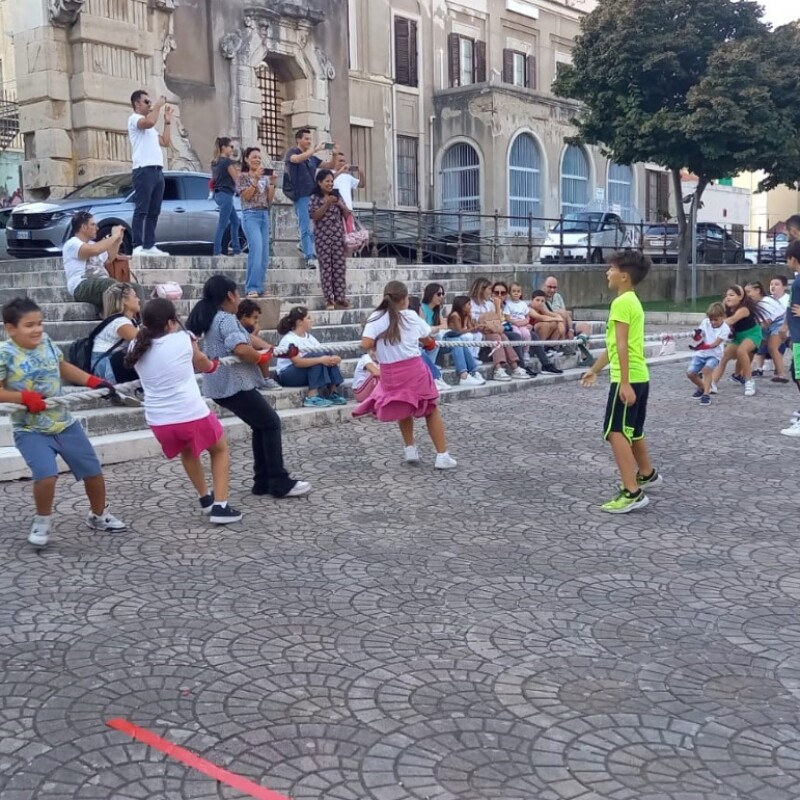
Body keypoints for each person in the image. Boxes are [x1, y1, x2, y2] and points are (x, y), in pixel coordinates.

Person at [0, 297, 127, 547]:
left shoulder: (45, 342)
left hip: (64, 423)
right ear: (11, 328)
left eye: (39, 323)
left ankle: (99, 515)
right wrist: (23, 397)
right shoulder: (5, 354)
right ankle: (42, 520)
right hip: (30, 429)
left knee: (93, 472)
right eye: (29, 325)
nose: (37, 329)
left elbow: (62, 367)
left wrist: (94, 382)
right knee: (46, 475)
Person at [186, 275, 310, 498]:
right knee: (271, 423)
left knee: (261, 425)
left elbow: (247, 343)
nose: (239, 298)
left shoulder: (213, 317)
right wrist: (259, 358)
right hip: (233, 385)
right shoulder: (225, 319)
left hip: (222, 385)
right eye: (237, 293)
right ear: (230, 295)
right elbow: (241, 349)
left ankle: (262, 481)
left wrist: (269, 350)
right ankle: (278, 481)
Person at [124, 298, 242, 523]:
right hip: (190, 413)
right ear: (170, 322)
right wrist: (212, 365)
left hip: (159, 421)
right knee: (219, 449)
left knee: (188, 451)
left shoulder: (135, 344)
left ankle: (206, 500)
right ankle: (221, 506)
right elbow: (204, 365)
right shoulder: (184, 339)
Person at [580, 250, 661, 514]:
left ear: (624, 276)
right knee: (633, 431)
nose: (607, 273)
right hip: (639, 376)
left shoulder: (622, 303)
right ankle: (646, 474)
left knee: (615, 432)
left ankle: (631, 492)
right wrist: (595, 369)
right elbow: (614, 345)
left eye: (611, 269)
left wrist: (623, 383)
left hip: (629, 378)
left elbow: (623, 345)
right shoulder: (631, 301)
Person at [353, 280, 457, 470]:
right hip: (413, 369)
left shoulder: (376, 317)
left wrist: (378, 340)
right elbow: (426, 335)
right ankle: (442, 455)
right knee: (431, 408)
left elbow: (365, 344)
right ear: (404, 299)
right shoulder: (410, 315)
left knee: (403, 406)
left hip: (390, 372)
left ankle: (410, 449)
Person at [62, 211, 143, 315]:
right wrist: (113, 237)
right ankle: (116, 320)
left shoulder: (94, 244)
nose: (97, 228)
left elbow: (109, 258)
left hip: (103, 284)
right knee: (114, 287)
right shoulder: (72, 244)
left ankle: (143, 323)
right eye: (93, 224)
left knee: (135, 288)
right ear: (83, 227)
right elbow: (93, 250)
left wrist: (118, 240)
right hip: (81, 285)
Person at [128, 89, 172, 257]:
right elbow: (149, 123)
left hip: (157, 170)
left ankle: (149, 244)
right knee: (142, 209)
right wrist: (158, 106)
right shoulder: (135, 119)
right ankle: (137, 245)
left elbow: (165, 142)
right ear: (137, 104)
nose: (150, 104)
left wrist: (167, 123)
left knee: (154, 210)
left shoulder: (151, 129)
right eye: (146, 102)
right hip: (143, 170)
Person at [284, 128, 337, 268]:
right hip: (301, 195)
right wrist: (314, 149)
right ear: (298, 139)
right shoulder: (292, 152)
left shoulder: (312, 158)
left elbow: (329, 165)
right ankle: (309, 257)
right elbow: (295, 160)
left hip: (313, 195)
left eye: (310, 139)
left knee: (317, 226)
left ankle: (303, 244)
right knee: (305, 227)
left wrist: (335, 155)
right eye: (306, 138)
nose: (309, 141)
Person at [274, 306, 346, 407]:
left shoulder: (309, 337)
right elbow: (297, 362)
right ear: (299, 322)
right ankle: (312, 396)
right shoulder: (289, 339)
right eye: (308, 318)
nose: (311, 320)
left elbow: (323, 353)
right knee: (317, 357)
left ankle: (332, 392)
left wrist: (334, 358)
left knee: (326, 353)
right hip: (287, 375)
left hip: (303, 372)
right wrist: (321, 360)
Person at [468, 278, 530, 382]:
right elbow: (473, 322)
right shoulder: (470, 304)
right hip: (477, 333)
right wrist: (487, 324)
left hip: (489, 332)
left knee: (503, 336)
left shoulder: (488, 304)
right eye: (489, 289)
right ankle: (498, 368)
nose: (491, 292)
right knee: (497, 336)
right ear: (482, 289)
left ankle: (514, 366)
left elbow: (497, 321)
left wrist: (496, 306)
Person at [711, 285, 765, 397]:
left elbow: (732, 320)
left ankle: (749, 381)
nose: (728, 298)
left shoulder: (743, 309)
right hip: (738, 337)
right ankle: (712, 383)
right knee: (723, 357)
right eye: (727, 295)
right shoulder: (725, 307)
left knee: (742, 351)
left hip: (752, 334)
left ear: (740, 297)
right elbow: (719, 318)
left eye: (731, 295)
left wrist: (714, 325)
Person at [236, 147, 276, 298]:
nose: (257, 159)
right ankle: (251, 287)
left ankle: (259, 287)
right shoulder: (242, 177)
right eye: (254, 157)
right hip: (250, 215)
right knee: (256, 249)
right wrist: (255, 180)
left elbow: (269, 200)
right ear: (246, 159)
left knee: (264, 254)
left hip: (264, 215)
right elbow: (246, 197)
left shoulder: (264, 178)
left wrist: (272, 184)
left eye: (259, 157)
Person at [310, 169, 351, 310]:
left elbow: (347, 215)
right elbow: (314, 216)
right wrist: (326, 204)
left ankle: (340, 298)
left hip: (338, 238)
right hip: (323, 239)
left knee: (339, 268)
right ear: (320, 182)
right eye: (327, 181)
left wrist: (340, 204)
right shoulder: (314, 197)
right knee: (326, 269)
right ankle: (329, 299)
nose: (330, 183)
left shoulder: (337, 195)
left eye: (332, 181)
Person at [91, 283, 140, 382]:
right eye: (135, 296)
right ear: (124, 301)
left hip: (111, 364)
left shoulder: (130, 321)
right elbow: (144, 339)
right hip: (105, 368)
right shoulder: (120, 322)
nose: (138, 300)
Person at [687, 302, 730, 405]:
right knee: (690, 374)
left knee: (707, 369)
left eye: (716, 320)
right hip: (701, 354)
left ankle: (706, 395)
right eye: (711, 320)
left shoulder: (725, 329)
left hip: (714, 355)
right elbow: (700, 336)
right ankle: (703, 387)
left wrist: (701, 346)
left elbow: (715, 344)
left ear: (723, 317)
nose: (713, 322)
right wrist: (696, 335)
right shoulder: (705, 322)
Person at [745, 281, 788, 383]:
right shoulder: (757, 304)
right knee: (756, 345)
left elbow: (766, 322)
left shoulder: (765, 302)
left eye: (748, 292)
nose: (747, 295)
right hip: (769, 324)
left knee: (772, 348)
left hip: (779, 322)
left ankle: (781, 374)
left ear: (757, 290)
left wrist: (753, 332)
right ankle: (747, 371)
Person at [781, 241, 800, 435]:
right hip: (797, 336)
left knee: (798, 373)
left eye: (787, 259)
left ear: (793, 259)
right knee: (796, 373)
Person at [211, 137, 241, 257]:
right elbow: (236, 179)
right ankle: (217, 251)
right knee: (223, 224)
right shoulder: (227, 162)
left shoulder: (215, 162)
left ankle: (237, 249)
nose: (232, 149)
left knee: (235, 222)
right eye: (231, 147)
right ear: (224, 147)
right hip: (226, 194)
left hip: (219, 194)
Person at [333, 153, 365, 232]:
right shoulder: (330, 173)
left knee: (350, 237)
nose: (343, 163)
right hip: (336, 211)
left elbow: (361, 184)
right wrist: (341, 171)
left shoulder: (347, 176)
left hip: (348, 211)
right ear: (334, 161)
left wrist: (361, 173)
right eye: (340, 161)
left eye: (344, 161)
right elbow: (330, 179)